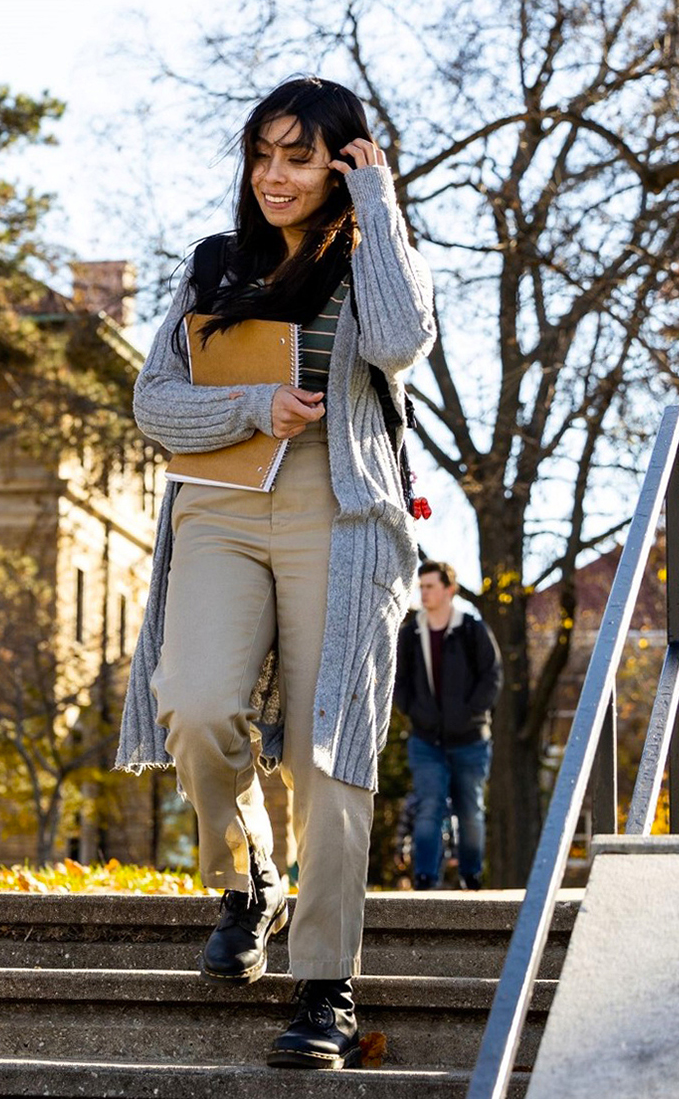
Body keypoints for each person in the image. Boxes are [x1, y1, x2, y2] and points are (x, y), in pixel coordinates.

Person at [115, 76, 436, 1070]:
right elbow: (153, 402)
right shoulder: (215, 266)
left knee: (325, 751)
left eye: (300, 157)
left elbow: (398, 342)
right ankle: (248, 877)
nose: (274, 176)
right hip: (216, 508)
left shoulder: (371, 254)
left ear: (340, 163)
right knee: (196, 700)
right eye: (262, 155)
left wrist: (377, 204)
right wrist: (254, 405)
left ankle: (322, 984)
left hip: (337, 514)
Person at [393, 560, 500, 890]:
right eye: (420, 586)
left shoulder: (471, 629)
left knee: (470, 811)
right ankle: (425, 878)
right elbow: (399, 682)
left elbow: (492, 676)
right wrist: (415, 712)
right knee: (428, 807)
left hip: (470, 739)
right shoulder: (411, 634)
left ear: (449, 590)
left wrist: (469, 713)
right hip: (426, 740)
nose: (423, 592)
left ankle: (471, 876)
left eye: (430, 586)